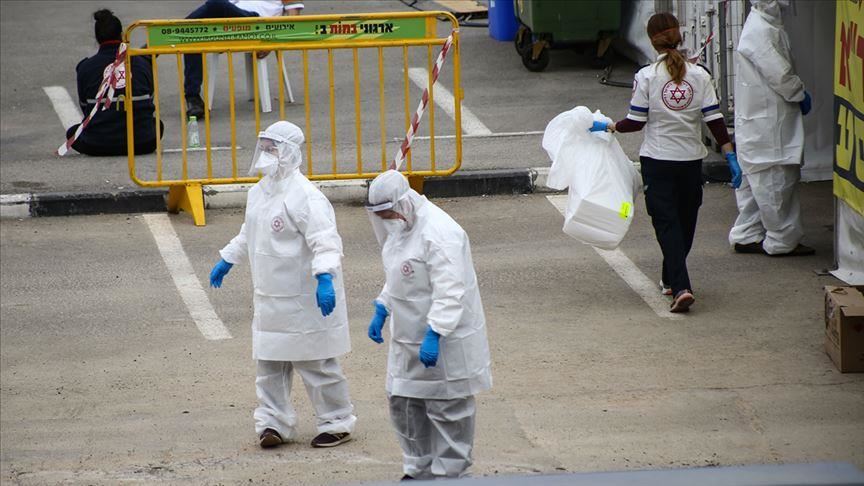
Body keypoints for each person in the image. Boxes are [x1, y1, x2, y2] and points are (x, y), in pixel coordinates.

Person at [209, 120, 356, 449]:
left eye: (272, 148)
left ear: (289, 152)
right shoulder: (259, 192)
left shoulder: (306, 197)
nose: (265, 154)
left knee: (316, 363)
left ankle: (337, 421)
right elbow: (249, 232)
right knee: (270, 365)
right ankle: (273, 423)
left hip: (304, 300)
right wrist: (228, 258)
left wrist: (325, 277)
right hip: (270, 298)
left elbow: (325, 242)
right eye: (263, 147)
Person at [590, 12, 738, 313]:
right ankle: (673, 280)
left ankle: (679, 286)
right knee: (685, 223)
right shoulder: (700, 74)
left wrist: (610, 126)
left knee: (667, 224)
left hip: (657, 161)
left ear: (651, 41)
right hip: (690, 162)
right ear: (679, 37)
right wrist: (730, 153)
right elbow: (714, 119)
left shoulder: (646, 76)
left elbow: (636, 121)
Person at [365, 170, 493, 480]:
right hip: (407, 338)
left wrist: (435, 332)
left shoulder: (441, 232)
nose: (386, 220)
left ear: (403, 203)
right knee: (404, 404)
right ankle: (417, 469)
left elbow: (451, 289)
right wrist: (383, 305)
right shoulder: (401, 226)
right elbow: (400, 274)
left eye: (387, 213)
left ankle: (451, 474)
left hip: (445, 341)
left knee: (447, 408)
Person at [728, 0, 814, 256]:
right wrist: (799, 93)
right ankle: (782, 241)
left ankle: (746, 234)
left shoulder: (762, 25)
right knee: (776, 184)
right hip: (768, 125)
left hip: (758, 122)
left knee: (757, 186)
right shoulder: (761, 31)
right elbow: (780, 74)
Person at [183, 0, 304, 117]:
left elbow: (293, 20)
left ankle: (182, 28)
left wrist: (272, 42)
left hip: (258, 25)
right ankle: (193, 98)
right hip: (229, 23)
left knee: (214, 5)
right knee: (192, 31)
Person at [68, 9, 162, 156]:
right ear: (122, 35)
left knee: (72, 132)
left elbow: (85, 107)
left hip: (97, 145)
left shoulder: (85, 67)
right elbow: (149, 100)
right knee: (157, 125)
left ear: (97, 38)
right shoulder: (142, 63)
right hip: (142, 143)